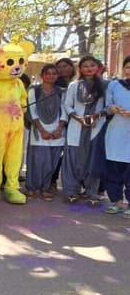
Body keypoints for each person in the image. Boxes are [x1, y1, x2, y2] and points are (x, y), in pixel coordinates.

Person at [62, 56, 106, 205]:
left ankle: (92, 193)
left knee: (92, 162)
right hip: (76, 127)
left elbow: (108, 106)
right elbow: (67, 105)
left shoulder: (105, 86)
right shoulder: (74, 85)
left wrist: (97, 116)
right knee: (72, 161)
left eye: (92, 65)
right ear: (80, 69)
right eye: (85, 66)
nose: (89, 68)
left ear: (97, 67)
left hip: (96, 129)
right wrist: (79, 118)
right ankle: (71, 192)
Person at [24, 65, 66, 201]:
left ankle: (46, 188)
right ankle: (31, 187)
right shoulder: (34, 91)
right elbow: (32, 111)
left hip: (57, 132)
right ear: (42, 75)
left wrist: (59, 129)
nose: (51, 76)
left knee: (52, 162)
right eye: (48, 73)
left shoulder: (61, 92)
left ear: (57, 76)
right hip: (39, 131)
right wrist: (42, 130)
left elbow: (64, 111)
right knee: (36, 161)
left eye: (54, 73)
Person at [103, 55, 130, 216]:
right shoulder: (114, 85)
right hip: (116, 134)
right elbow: (107, 107)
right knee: (114, 171)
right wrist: (113, 109)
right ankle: (117, 202)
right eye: (128, 67)